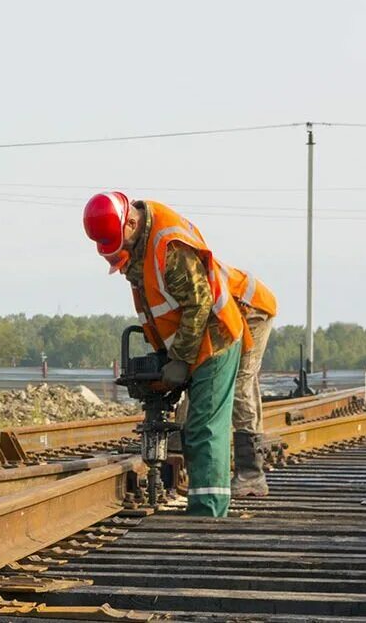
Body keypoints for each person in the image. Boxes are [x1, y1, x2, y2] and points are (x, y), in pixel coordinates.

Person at [83, 191, 247, 517]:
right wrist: (164, 356)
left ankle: (208, 513)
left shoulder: (166, 247)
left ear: (130, 222)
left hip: (215, 340)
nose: (122, 254)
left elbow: (198, 303)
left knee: (203, 427)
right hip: (189, 345)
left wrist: (181, 360)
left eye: (121, 246)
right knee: (194, 426)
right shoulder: (140, 246)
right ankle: (204, 506)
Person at [175, 263, 276, 497]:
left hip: (253, 311)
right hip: (226, 316)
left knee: (241, 382)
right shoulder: (164, 279)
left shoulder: (181, 273)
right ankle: (190, 466)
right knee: (198, 379)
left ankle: (251, 474)